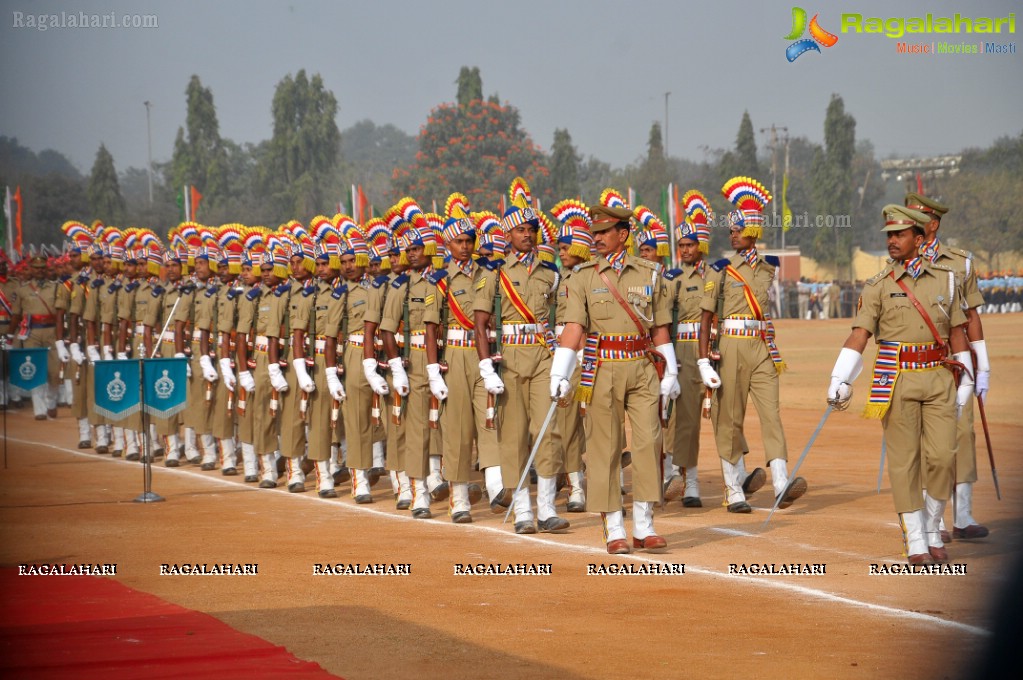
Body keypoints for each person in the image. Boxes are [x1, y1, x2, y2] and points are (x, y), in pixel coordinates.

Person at [828, 204, 972, 564]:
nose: (892, 241)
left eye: (900, 234)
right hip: (896, 379)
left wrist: (968, 379)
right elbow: (860, 334)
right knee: (905, 463)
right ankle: (918, 541)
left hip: (940, 377)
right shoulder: (877, 286)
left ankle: (932, 523)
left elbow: (957, 333)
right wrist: (839, 377)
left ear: (919, 238)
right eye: (889, 235)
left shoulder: (946, 279)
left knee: (942, 458)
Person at [552, 196, 680, 554]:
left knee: (647, 443)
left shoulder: (651, 274)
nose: (597, 237)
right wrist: (560, 371)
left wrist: (671, 371)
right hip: (601, 368)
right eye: (594, 232)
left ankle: (644, 524)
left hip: (642, 367)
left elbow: (660, 328)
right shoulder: (582, 278)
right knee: (604, 447)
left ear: (623, 234)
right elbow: (575, 326)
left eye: (605, 231)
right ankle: (613, 527)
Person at [698, 177, 805, 513]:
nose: (732, 235)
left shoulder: (768, 268)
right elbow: (705, 319)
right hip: (729, 345)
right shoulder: (720, 270)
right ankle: (733, 489)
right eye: (730, 230)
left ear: (753, 231)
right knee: (730, 417)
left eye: (738, 229)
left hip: (761, 346)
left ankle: (780, 482)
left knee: (771, 413)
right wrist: (704, 361)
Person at [474, 179, 568, 535]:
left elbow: (559, 322)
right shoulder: (494, 275)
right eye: (519, 230)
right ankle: (523, 511)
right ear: (507, 236)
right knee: (512, 435)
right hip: (509, 356)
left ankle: (546, 509)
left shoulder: (551, 274)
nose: (527, 235)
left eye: (531, 229)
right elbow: (480, 325)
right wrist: (487, 368)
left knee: (548, 430)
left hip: (544, 354)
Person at [906, 192, 991, 540]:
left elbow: (972, 316)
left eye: (916, 217)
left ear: (933, 223)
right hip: (922, 360)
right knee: (927, 440)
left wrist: (982, 365)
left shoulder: (961, 262)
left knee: (963, 435)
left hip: (958, 363)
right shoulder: (899, 263)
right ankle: (934, 520)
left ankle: (964, 516)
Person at [550, 199, 594, 513]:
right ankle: (576, 487)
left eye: (565, 248)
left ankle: (610, 480)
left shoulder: (593, 277)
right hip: (566, 358)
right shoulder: (561, 280)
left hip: (591, 358)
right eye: (559, 248)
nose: (561, 253)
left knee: (596, 423)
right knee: (567, 425)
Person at [9, 255, 60, 420]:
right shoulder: (22, 289)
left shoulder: (56, 288)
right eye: (36, 268)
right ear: (31, 269)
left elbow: (60, 314)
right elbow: (16, 315)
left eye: (42, 268)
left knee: (53, 371)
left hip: (52, 331)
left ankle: (51, 402)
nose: (39, 271)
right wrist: (10, 335)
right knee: (36, 371)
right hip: (32, 333)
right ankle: (39, 409)